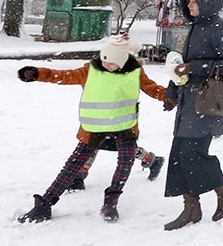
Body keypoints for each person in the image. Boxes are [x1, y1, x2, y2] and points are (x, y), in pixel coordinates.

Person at [16, 33, 166, 223]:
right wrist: (38, 73)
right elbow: (64, 76)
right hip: (93, 129)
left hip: (124, 128)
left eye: (111, 63)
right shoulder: (91, 69)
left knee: (125, 163)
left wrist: (170, 96)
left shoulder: (135, 72)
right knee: (72, 165)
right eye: (104, 60)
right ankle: (45, 204)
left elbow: (153, 89)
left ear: (122, 61)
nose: (106, 65)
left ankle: (111, 201)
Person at [163, 0, 223, 231]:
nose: (190, 5)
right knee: (179, 156)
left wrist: (193, 68)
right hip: (188, 101)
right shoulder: (195, 27)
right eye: (189, 1)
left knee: (192, 154)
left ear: (208, 3)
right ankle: (191, 208)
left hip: (207, 102)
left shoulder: (218, 28)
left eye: (195, 1)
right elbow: (181, 64)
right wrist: (172, 93)